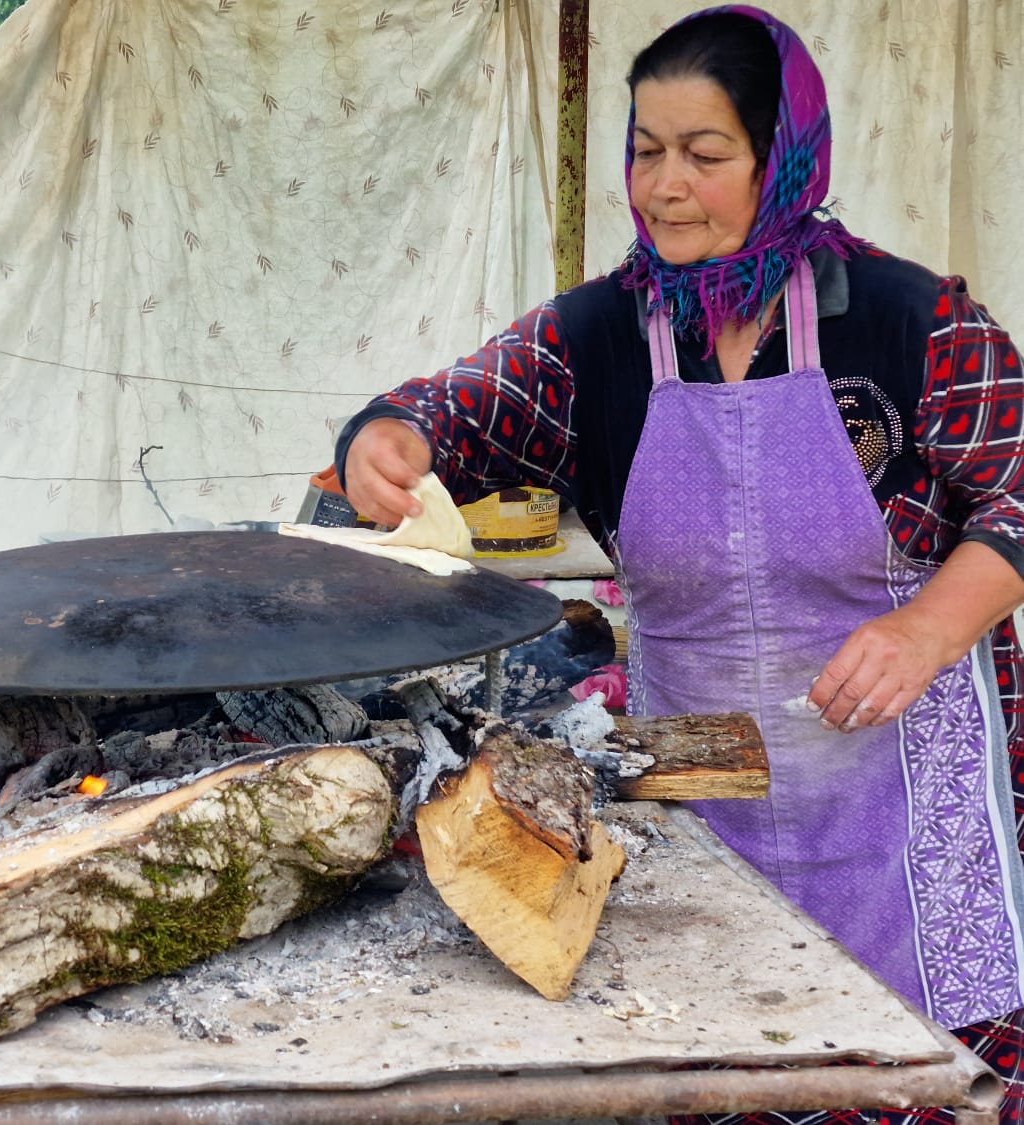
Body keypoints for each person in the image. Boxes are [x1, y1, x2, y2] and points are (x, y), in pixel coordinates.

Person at [336, 6, 1024, 1123]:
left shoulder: (914, 321)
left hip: (898, 790)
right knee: (715, 1056)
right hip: (698, 782)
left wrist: (929, 627)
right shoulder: (594, 338)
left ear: (783, 158)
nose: (663, 187)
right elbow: (450, 414)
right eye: (645, 150)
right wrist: (387, 439)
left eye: (706, 156)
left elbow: (1019, 491)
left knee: (916, 1076)